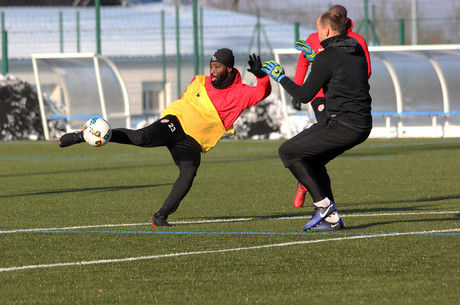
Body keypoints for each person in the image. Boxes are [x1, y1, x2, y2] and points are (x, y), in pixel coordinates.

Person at [58, 48, 271, 227]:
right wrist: (172, 118)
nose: (212, 71)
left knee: (188, 172)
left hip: (192, 141)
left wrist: (261, 76)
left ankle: (160, 216)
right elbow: (183, 104)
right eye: (211, 66)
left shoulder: (241, 93)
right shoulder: (199, 81)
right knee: (141, 137)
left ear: (229, 69)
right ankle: (83, 135)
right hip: (175, 123)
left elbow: (262, 92)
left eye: (217, 67)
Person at [262, 10, 372, 230]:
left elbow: (303, 96)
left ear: (326, 30)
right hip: (362, 123)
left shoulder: (326, 57)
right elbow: (340, 67)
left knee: (288, 151)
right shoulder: (356, 48)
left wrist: (281, 77)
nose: (317, 33)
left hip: (342, 124)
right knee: (314, 161)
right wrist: (315, 59)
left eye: (318, 29)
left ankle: (324, 207)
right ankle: (331, 219)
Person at [292, 4, 372, 209]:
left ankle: (308, 182)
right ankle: (313, 186)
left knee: (298, 152)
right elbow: (304, 64)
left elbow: (365, 72)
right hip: (319, 96)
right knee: (320, 143)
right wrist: (300, 86)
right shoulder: (312, 39)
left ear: (345, 21)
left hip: (341, 103)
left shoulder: (356, 41)